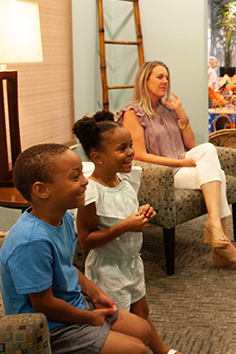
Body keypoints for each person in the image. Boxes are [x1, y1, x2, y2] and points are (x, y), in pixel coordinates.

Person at [0, 143, 151, 354]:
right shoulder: (31, 241)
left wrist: (95, 292)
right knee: (136, 349)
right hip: (46, 328)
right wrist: (88, 318)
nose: (85, 181)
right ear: (42, 190)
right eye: (75, 177)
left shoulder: (64, 219)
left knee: (142, 331)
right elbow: (43, 305)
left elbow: (66, 266)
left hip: (73, 304)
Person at [118, 61, 236, 270]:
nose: (165, 82)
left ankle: (215, 228)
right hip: (162, 173)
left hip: (182, 165)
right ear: (145, 80)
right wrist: (180, 162)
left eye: (167, 77)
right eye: (159, 77)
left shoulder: (169, 109)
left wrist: (181, 113)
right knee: (217, 171)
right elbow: (141, 155)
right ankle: (222, 245)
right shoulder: (132, 113)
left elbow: (190, 144)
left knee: (209, 155)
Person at [73, 111, 182, 354]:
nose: (131, 152)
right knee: (116, 323)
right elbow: (85, 240)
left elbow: (127, 212)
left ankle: (162, 351)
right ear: (97, 157)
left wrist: (141, 212)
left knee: (141, 312)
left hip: (133, 262)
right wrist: (124, 226)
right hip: (108, 269)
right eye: (122, 148)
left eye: (131, 145)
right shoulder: (92, 192)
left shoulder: (126, 179)